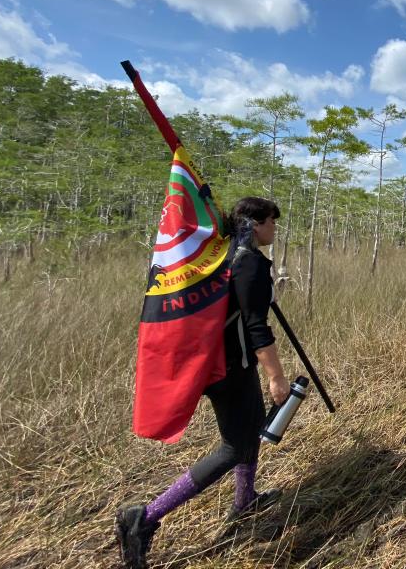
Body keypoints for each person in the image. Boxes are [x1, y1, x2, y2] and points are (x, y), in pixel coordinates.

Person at [116, 197, 289, 569]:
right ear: (257, 224)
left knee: (251, 427)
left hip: (214, 362)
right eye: (273, 222)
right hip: (228, 369)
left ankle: (245, 499)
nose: (275, 230)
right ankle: (145, 517)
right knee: (232, 448)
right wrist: (276, 376)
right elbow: (257, 328)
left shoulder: (220, 254)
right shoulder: (250, 263)